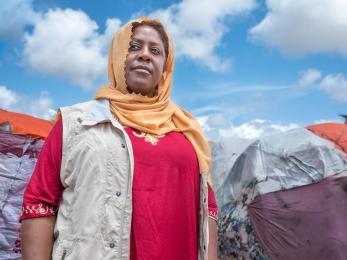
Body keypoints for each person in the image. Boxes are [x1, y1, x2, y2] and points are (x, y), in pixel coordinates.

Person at [20, 17, 218, 260]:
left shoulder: (189, 132)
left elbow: (208, 208)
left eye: (155, 51)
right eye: (134, 46)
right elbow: (39, 203)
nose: (145, 55)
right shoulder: (76, 122)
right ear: (117, 55)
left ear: (165, 65)